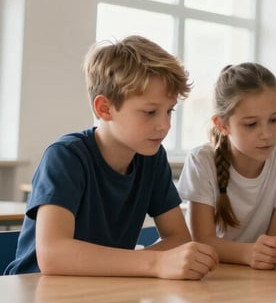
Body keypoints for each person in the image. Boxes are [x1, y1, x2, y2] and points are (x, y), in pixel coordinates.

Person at [5, 36, 218, 278]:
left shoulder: (152, 157)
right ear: (104, 108)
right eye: (150, 112)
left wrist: (153, 262)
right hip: (36, 293)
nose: (164, 125)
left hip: (104, 291)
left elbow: (179, 237)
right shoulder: (66, 157)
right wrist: (154, 263)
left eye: (169, 111)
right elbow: (53, 254)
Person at [177, 63, 276, 269]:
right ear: (222, 125)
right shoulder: (201, 161)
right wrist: (248, 253)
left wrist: (260, 254)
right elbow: (201, 241)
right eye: (251, 124)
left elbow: (275, 245)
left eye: (274, 119)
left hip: (257, 275)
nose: (267, 134)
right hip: (208, 274)